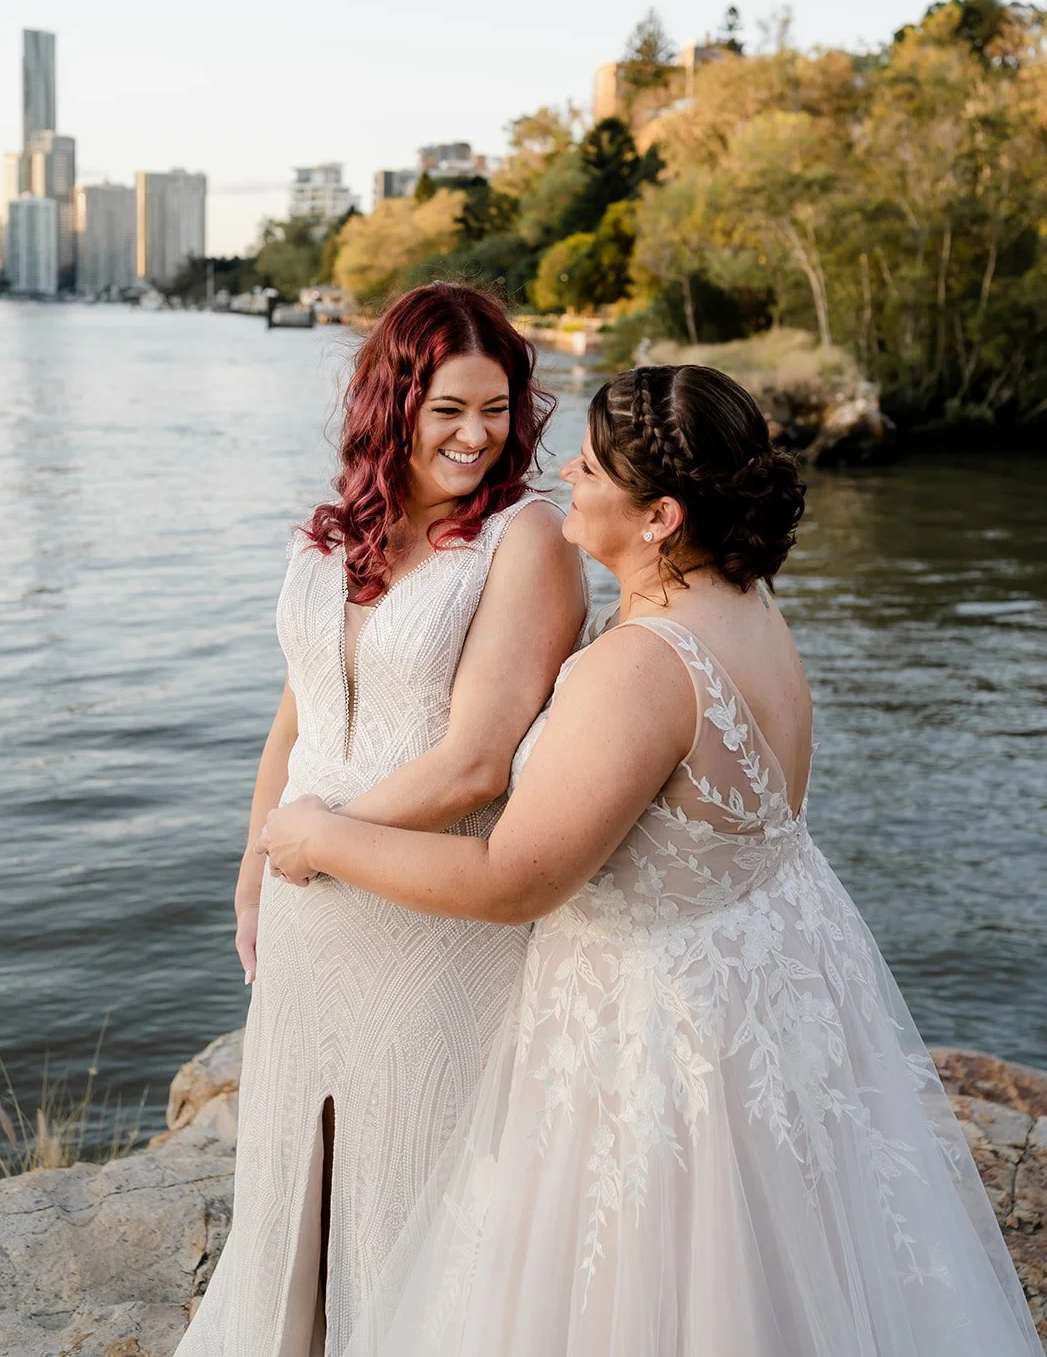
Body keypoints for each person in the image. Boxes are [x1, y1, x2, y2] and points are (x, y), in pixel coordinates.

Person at [260, 364, 1043, 1357]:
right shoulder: (750, 607)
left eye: (586, 469)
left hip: (651, 1032)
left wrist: (323, 834)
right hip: (761, 997)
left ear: (659, 515)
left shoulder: (639, 664)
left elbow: (515, 882)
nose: (561, 480)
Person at [177, 283, 586, 1357]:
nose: (476, 435)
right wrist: (255, 863)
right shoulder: (329, 535)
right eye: (447, 408)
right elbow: (296, 715)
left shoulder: (523, 540)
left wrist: (315, 841)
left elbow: (473, 762)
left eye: (495, 408)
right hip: (309, 906)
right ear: (389, 400)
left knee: (413, 1180)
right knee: (292, 1178)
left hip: (426, 912)